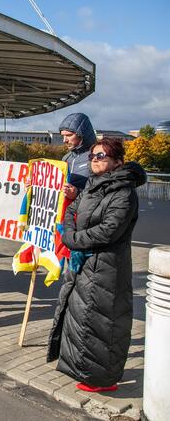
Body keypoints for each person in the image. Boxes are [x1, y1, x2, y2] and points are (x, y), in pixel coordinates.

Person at [47, 138, 146, 393]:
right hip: (85, 263)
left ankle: (103, 379)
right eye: (92, 156)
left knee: (103, 322)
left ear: (117, 162)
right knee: (82, 318)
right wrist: (70, 234)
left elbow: (109, 230)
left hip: (107, 267)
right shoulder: (93, 185)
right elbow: (72, 213)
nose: (95, 160)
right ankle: (86, 372)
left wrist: (73, 239)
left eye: (101, 156)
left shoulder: (123, 191)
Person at [58, 113, 96, 200]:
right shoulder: (66, 158)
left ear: (82, 134)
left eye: (69, 135)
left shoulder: (96, 158)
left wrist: (77, 193)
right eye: (63, 136)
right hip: (66, 211)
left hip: (85, 211)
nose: (64, 140)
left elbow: (103, 191)